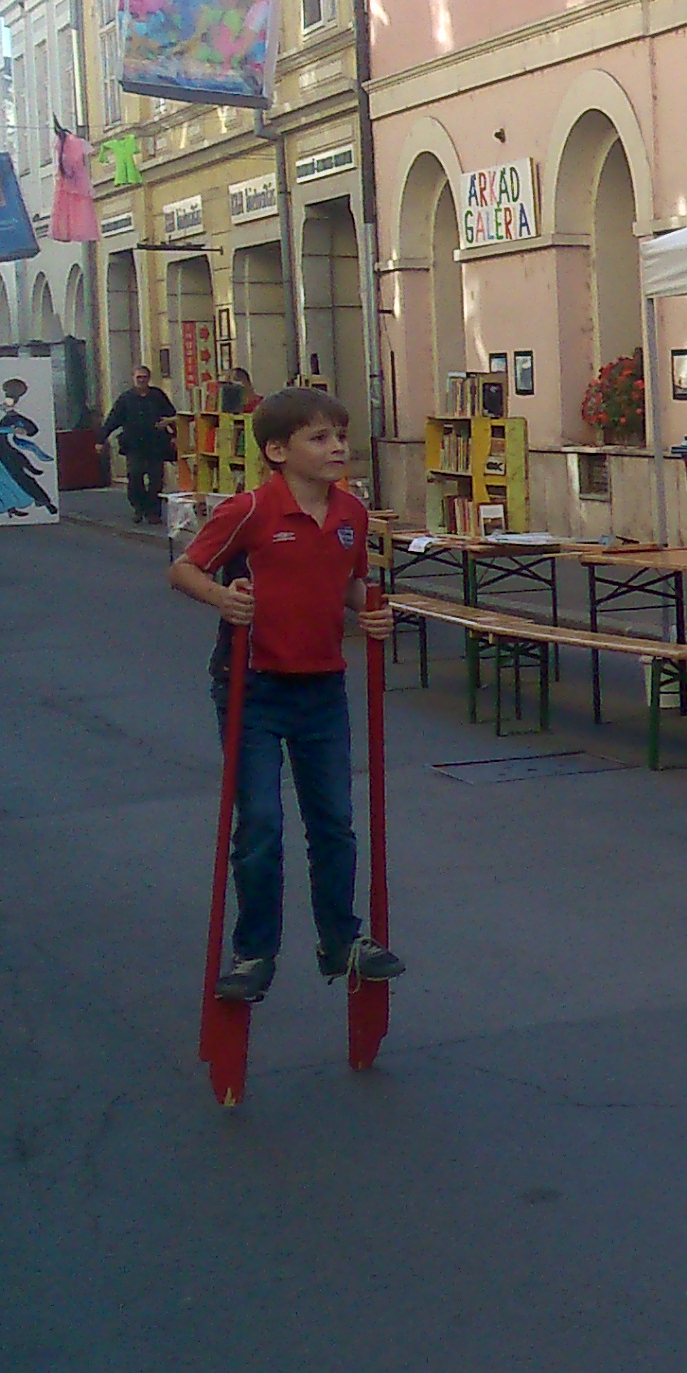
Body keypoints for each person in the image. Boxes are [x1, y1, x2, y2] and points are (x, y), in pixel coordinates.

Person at [167, 387, 404, 1003]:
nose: (337, 448)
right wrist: (223, 599)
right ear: (278, 451)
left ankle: (340, 939)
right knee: (262, 826)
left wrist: (371, 611)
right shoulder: (250, 510)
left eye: (340, 436)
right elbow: (185, 568)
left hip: (322, 685)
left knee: (334, 823)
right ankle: (254, 951)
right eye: (319, 438)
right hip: (254, 685)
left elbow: (348, 583)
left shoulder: (351, 513)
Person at [103, 365, 180, 525]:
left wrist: (175, 435)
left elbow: (171, 416)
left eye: (144, 377)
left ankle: (153, 512)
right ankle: (139, 507)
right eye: (138, 377)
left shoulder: (157, 396)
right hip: (134, 445)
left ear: (148, 378)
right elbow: (113, 419)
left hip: (156, 444)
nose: (141, 380)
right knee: (135, 477)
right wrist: (100, 439)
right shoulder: (126, 399)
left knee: (156, 479)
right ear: (133, 378)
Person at [0, 376, 55, 518]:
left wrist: (21, 429)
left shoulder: (8, 413)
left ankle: (43, 501)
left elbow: (32, 429)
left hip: (3, 452)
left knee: (19, 476)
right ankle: (9, 507)